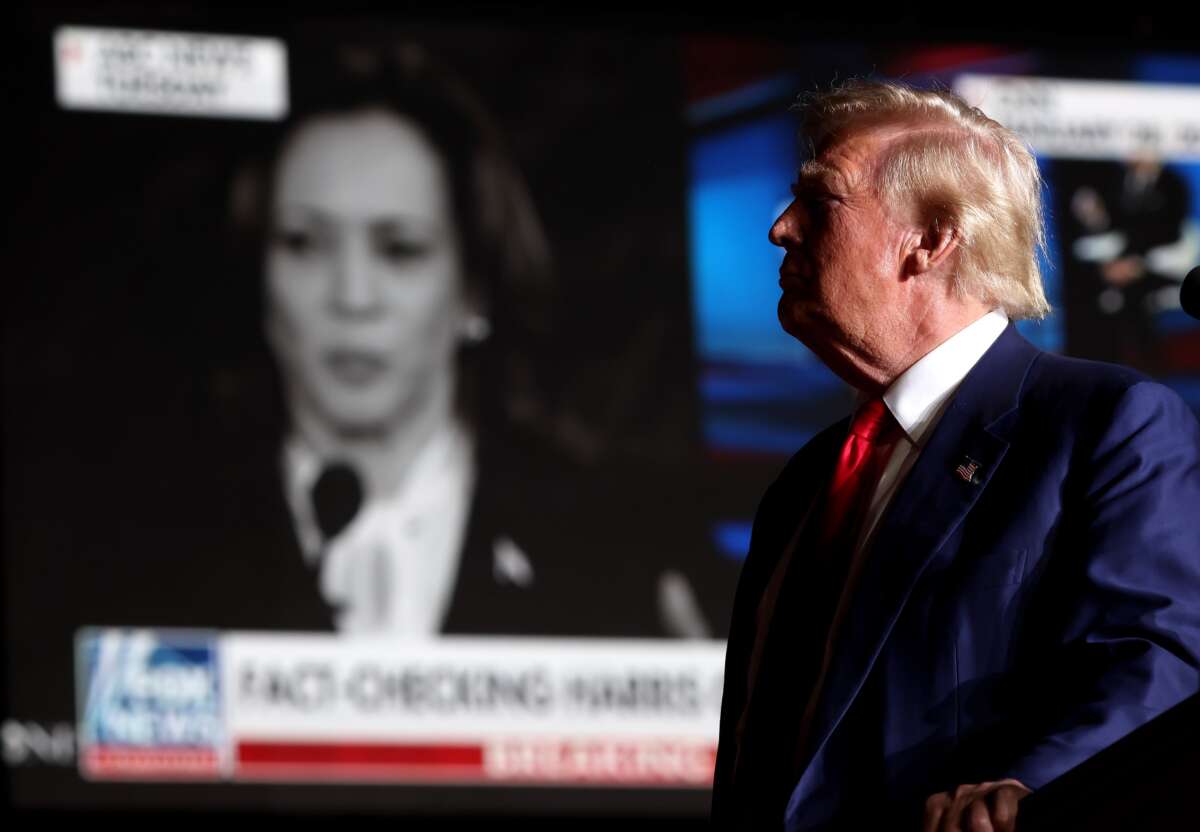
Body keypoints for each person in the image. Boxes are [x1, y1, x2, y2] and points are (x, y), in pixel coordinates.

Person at [710, 79, 1200, 830]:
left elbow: (1156, 665)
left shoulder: (1105, 425)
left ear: (932, 240)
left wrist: (1027, 795)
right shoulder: (806, 482)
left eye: (820, 201)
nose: (780, 228)